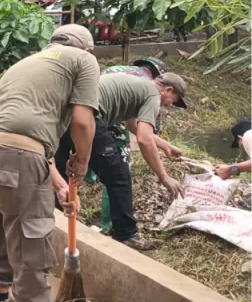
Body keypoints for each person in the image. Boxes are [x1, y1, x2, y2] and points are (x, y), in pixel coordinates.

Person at [0, 24, 97, 302]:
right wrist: (82, 163)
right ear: (85, 48)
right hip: (15, 153)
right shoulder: (84, 60)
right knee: (30, 244)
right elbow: (83, 122)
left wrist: (60, 185)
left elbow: (26, 138)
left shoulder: (30, 61)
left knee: (1, 230)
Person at [55, 72, 188, 252]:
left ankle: (57, 222)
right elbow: (143, 139)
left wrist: (164, 145)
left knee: (61, 175)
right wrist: (164, 177)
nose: (169, 105)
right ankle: (126, 234)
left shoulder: (137, 85)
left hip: (65, 114)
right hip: (88, 116)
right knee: (118, 176)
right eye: (173, 100)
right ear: (168, 90)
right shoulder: (153, 95)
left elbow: (132, 126)